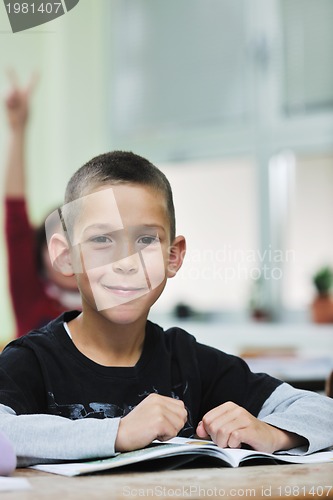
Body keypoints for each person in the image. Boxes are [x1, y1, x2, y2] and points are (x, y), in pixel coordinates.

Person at [0, 151, 332, 468]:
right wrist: (118, 433)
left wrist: (273, 432)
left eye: (146, 240)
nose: (126, 264)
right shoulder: (32, 360)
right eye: (102, 240)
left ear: (173, 256)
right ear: (65, 256)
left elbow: (322, 411)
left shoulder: (189, 362)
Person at [3, 74, 80, 337]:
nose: (69, 254)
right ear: (40, 257)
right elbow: (15, 216)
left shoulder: (110, 308)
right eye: (58, 244)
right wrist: (18, 130)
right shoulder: (31, 297)